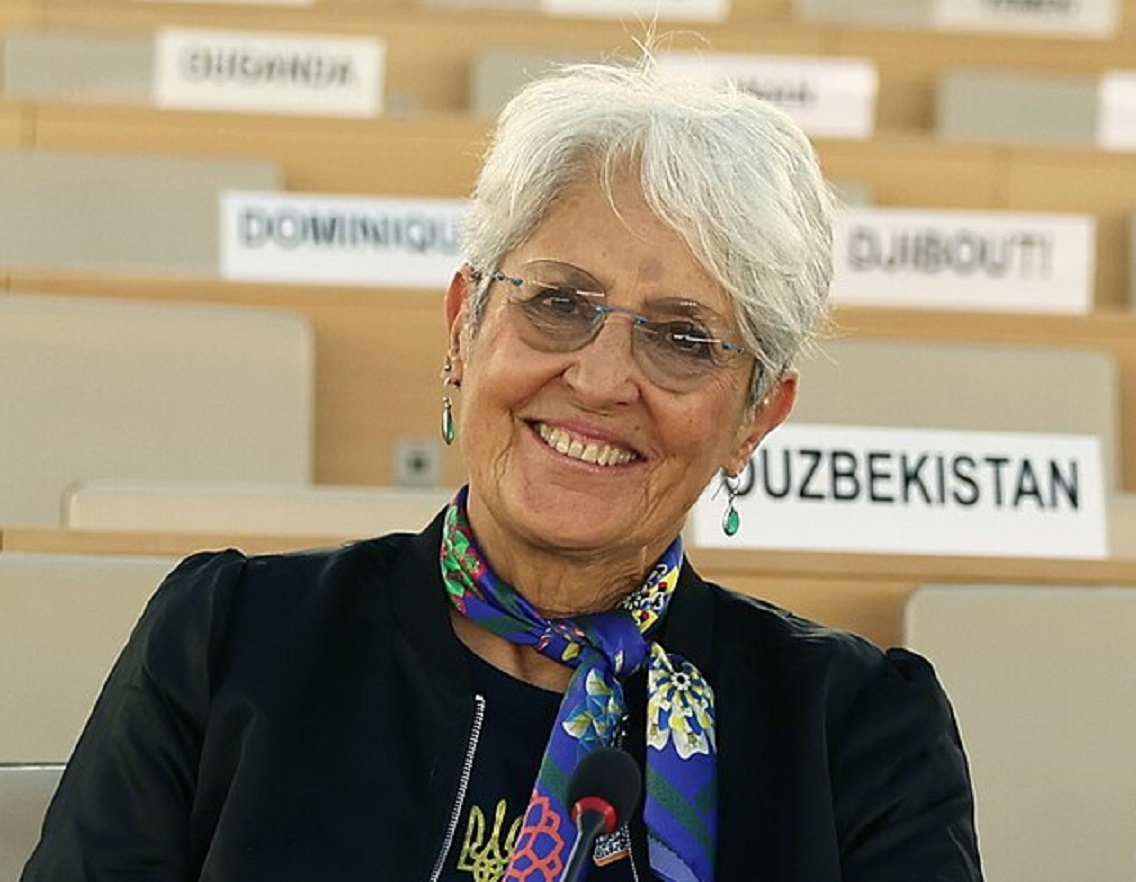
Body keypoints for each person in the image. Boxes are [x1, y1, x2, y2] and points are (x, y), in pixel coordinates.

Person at [22, 54, 983, 882]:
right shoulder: (229, 640)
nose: (600, 379)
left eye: (682, 339)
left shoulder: (858, 735)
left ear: (755, 419)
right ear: (463, 329)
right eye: (559, 303)